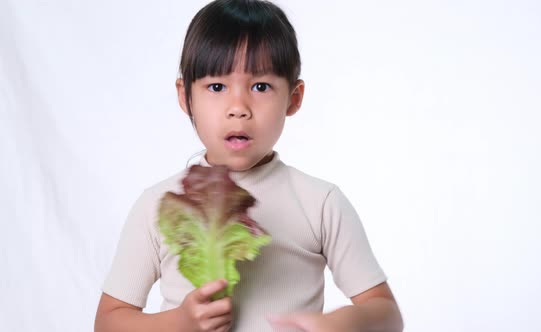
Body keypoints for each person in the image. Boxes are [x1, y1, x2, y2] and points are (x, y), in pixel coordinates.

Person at [94, 0, 403, 331]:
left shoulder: (321, 202)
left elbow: (387, 314)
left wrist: (342, 324)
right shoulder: (159, 204)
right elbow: (108, 321)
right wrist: (180, 321)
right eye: (216, 87)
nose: (238, 107)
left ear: (294, 98)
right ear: (185, 97)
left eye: (261, 86)